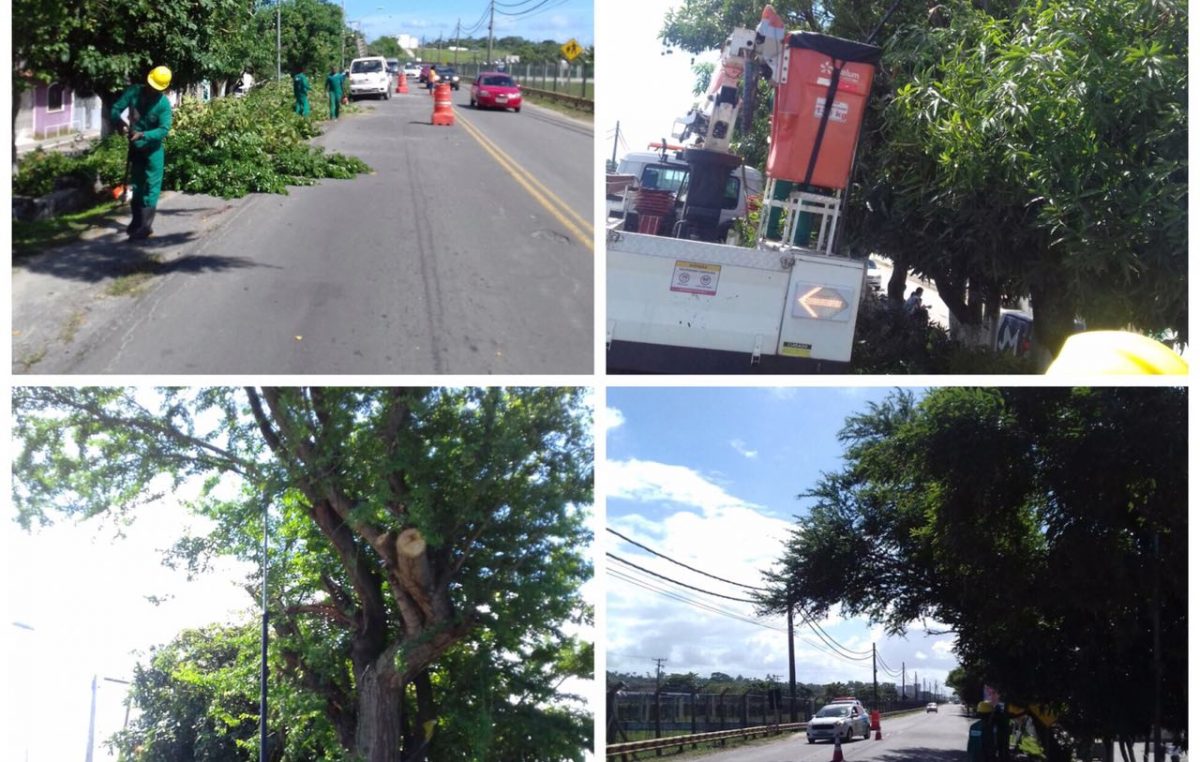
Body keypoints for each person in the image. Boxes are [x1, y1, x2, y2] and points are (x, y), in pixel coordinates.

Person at [110, 65, 174, 240]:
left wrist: (144, 134)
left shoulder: (163, 104)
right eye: (151, 85)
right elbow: (116, 108)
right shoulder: (134, 92)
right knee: (137, 185)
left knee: (151, 188)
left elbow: (164, 129)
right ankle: (136, 222)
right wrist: (119, 123)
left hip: (153, 151)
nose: (152, 90)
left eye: (157, 88)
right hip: (136, 149)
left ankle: (145, 226)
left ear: (164, 88)